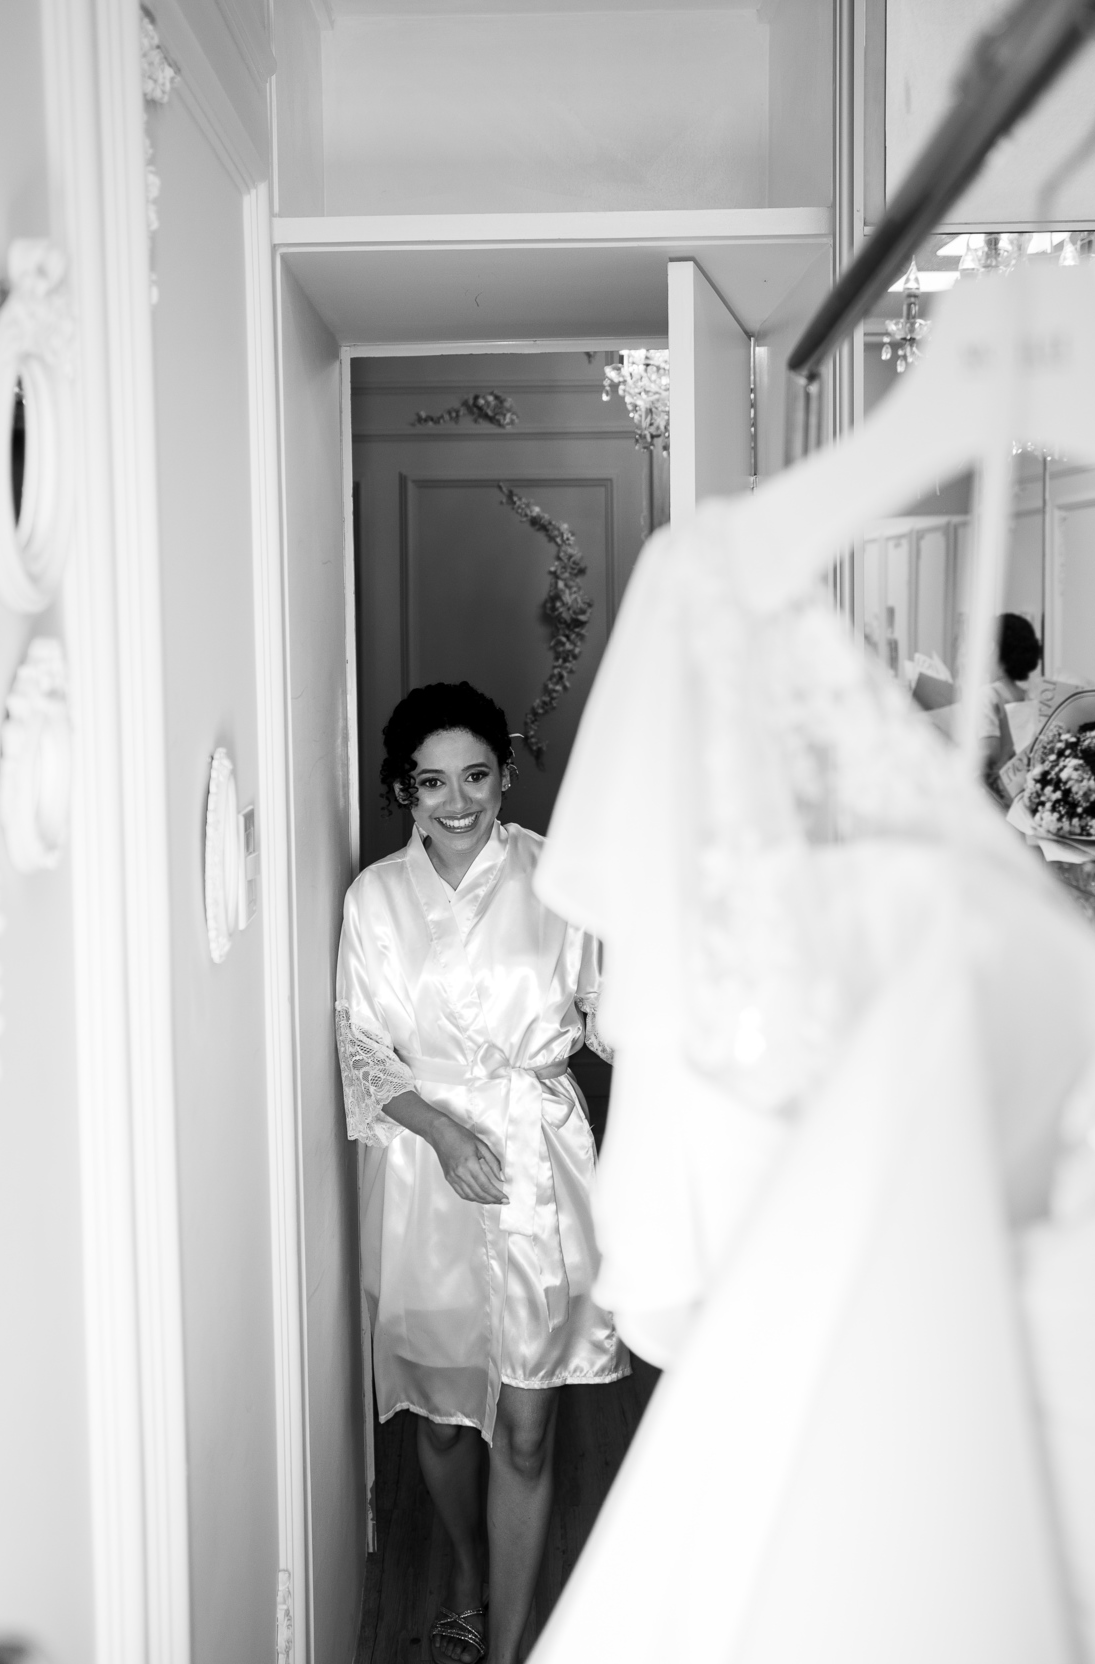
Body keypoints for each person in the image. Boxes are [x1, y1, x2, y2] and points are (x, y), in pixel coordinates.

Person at [335, 680, 627, 1664]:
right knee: (443, 1419)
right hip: (424, 1173)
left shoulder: (560, 880)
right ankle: (467, 1571)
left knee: (530, 1426)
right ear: (403, 790)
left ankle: (507, 1648)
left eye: (475, 776)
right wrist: (442, 1132)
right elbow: (361, 1045)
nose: (456, 801)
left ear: (505, 776)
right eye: (431, 782)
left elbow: (613, 1019)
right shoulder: (375, 898)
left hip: (537, 1162)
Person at [982, 611, 1042, 783]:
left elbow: (988, 752)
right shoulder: (1030, 696)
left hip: (994, 789)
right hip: (1022, 787)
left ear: (994, 648)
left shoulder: (988, 695)